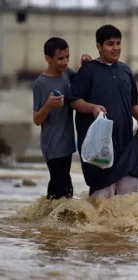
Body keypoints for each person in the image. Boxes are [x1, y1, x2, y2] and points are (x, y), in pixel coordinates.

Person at [69, 24, 138, 198]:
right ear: (99, 46)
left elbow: (133, 102)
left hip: (125, 143)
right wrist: (92, 108)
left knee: (128, 196)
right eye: (110, 44)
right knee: (102, 198)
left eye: (118, 43)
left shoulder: (125, 70)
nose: (115, 48)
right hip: (100, 145)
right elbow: (74, 101)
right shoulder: (88, 70)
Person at [32, 37, 92, 200]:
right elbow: (37, 120)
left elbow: (82, 81)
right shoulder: (41, 83)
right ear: (48, 59)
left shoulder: (67, 74)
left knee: (60, 186)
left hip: (67, 143)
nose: (65, 62)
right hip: (52, 145)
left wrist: (85, 66)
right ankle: (55, 220)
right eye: (60, 58)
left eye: (67, 57)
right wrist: (48, 105)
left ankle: (47, 220)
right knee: (64, 186)